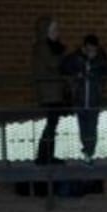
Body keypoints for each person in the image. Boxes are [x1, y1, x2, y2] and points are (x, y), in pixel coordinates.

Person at [62, 34, 107, 164]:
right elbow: (64, 67)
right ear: (84, 47)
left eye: (93, 49)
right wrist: (77, 70)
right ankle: (87, 151)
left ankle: (89, 152)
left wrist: (98, 59)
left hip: (94, 99)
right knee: (83, 128)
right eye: (89, 49)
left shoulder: (100, 58)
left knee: (92, 127)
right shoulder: (76, 57)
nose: (91, 51)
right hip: (79, 99)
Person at [31, 16, 68, 165]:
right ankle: (44, 156)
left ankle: (47, 155)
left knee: (52, 125)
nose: (57, 32)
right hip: (49, 92)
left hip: (54, 91)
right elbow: (53, 64)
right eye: (53, 29)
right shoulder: (43, 47)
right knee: (51, 125)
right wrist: (63, 55)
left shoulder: (50, 46)